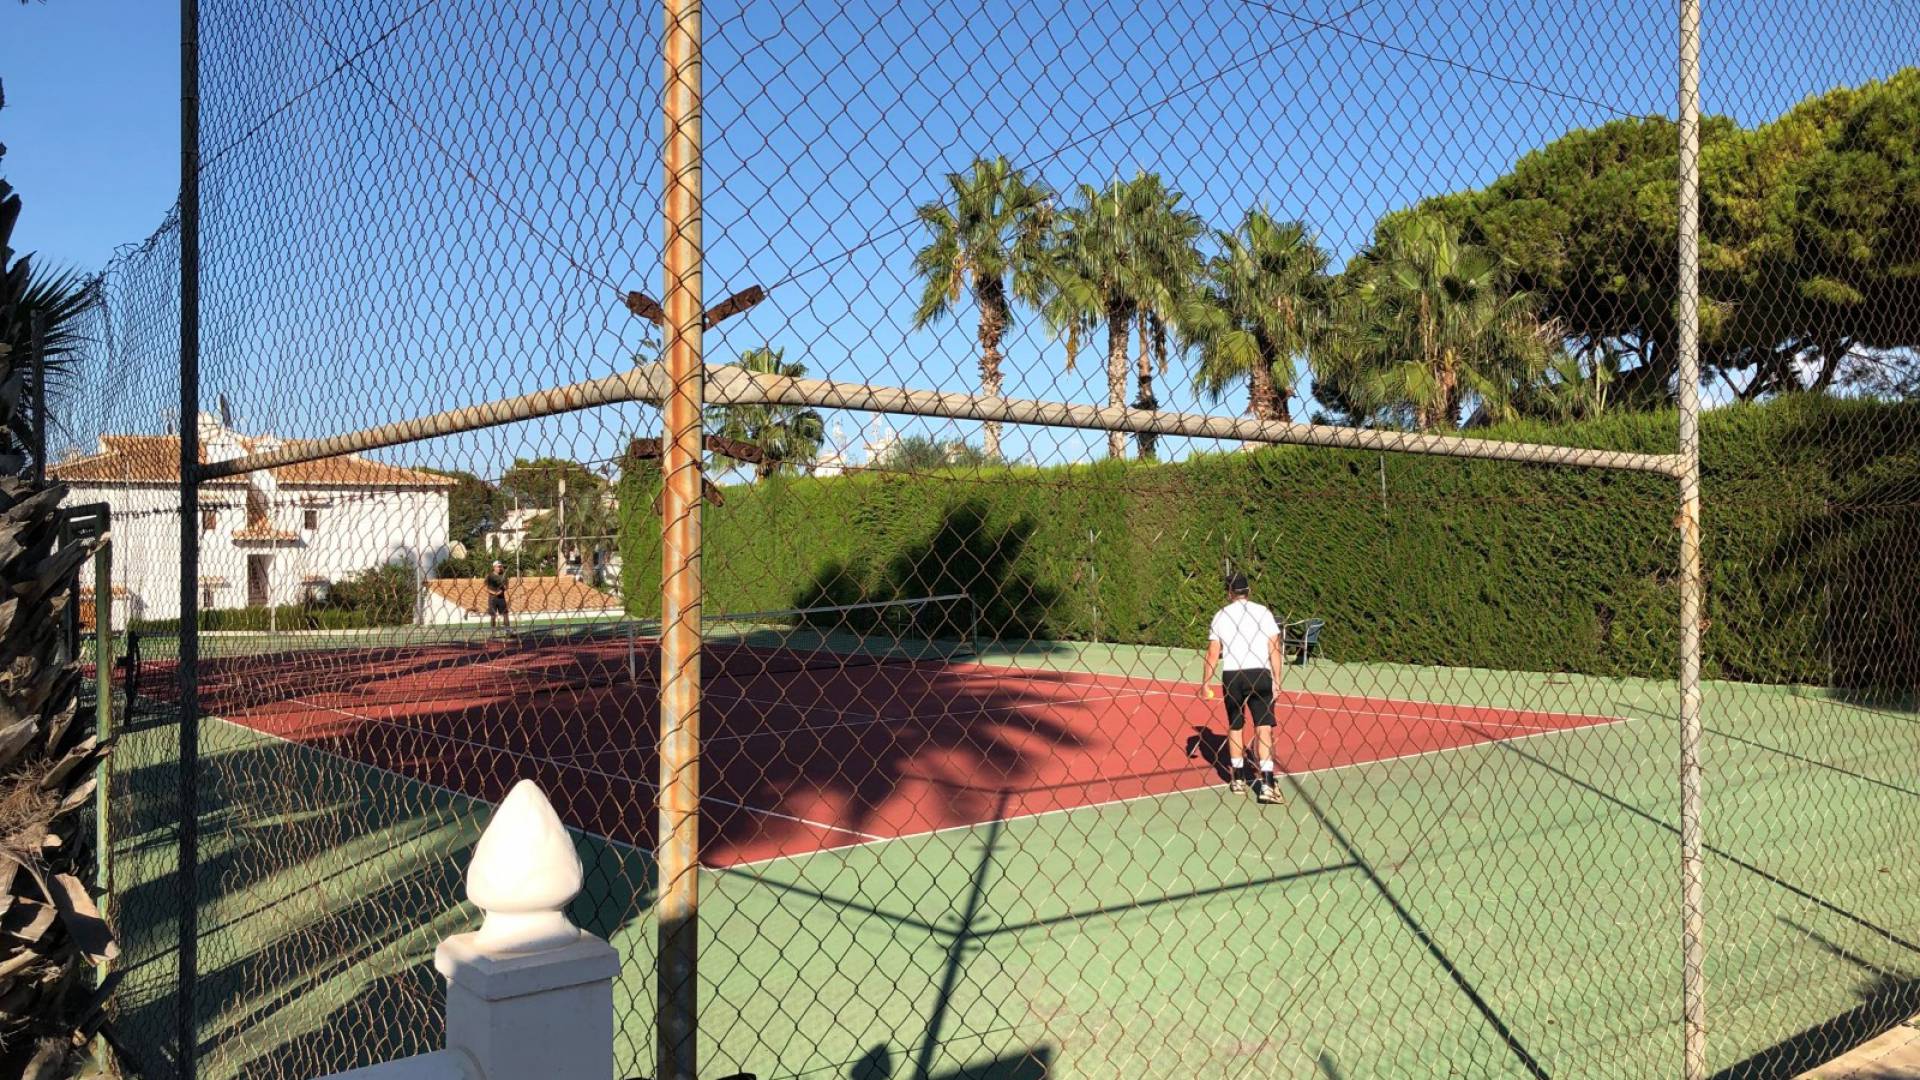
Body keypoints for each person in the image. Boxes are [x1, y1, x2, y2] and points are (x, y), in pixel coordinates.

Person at [1199, 570, 1285, 804]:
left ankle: (1237, 778)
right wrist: (1277, 679)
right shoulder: (1263, 612)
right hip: (1259, 674)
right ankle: (1267, 783)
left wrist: (1205, 681)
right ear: (1249, 591)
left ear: (1229, 593)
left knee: (1235, 725)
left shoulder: (1220, 616)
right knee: (1263, 727)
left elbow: (1213, 652)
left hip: (1232, 675)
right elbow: (1274, 647)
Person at [484, 560, 511, 631]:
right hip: (492, 599)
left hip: (501, 598)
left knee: (505, 614)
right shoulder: (489, 576)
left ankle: (508, 631)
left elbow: (506, 587)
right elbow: (485, 588)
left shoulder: (504, 576)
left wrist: (503, 588)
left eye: (500, 567)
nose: (500, 568)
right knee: (493, 616)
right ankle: (493, 632)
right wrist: (494, 593)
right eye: (498, 567)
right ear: (494, 567)